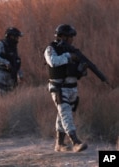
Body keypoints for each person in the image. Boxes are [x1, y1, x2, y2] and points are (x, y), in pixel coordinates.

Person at [44, 24, 88, 152]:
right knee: (65, 113)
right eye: (70, 36)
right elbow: (52, 62)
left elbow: (78, 70)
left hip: (72, 87)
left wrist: (82, 69)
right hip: (59, 87)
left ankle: (60, 144)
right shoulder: (51, 48)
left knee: (63, 114)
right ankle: (75, 141)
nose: (72, 39)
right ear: (62, 36)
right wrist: (69, 56)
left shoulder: (73, 50)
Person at [0, 27, 23, 93]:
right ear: (11, 36)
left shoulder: (14, 48)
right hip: (0, 73)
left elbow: (15, 62)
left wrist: (20, 74)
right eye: (16, 37)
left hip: (11, 76)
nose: (17, 39)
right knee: (1, 95)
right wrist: (5, 62)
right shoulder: (0, 44)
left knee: (11, 96)